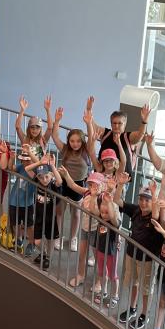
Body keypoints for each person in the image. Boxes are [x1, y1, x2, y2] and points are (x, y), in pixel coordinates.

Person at [116, 183, 163, 329]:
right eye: (141, 199)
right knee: (134, 282)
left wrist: (155, 195)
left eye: (147, 200)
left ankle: (144, 314)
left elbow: (155, 214)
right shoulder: (136, 210)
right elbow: (117, 201)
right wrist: (120, 185)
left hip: (148, 259)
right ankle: (132, 307)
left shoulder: (155, 217)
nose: (143, 203)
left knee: (146, 288)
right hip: (132, 254)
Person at [50, 106, 94, 252]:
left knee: (75, 213)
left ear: (82, 142)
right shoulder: (65, 149)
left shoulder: (86, 151)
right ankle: (57, 236)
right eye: (72, 141)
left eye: (78, 141)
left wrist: (88, 123)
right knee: (59, 211)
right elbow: (55, 136)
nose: (75, 144)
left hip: (78, 184)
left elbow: (92, 138)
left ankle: (73, 238)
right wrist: (57, 121)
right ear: (69, 141)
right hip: (63, 183)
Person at [84, 96, 151, 177]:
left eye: (120, 123)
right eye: (114, 123)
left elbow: (140, 134)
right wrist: (89, 110)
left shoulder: (128, 136)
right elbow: (92, 125)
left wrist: (144, 122)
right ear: (111, 123)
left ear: (125, 124)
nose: (116, 126)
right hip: (102, 175)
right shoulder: (106, 133)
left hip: (121, 178)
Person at [28, 153, 64, 270]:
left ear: (51, 176)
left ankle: (48, 257)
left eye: (47, 177)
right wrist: (39, 163)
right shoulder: (38, 182)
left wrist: (52, 166)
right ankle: (43, 254)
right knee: (37, 242)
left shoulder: (53, 185)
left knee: (51, 240)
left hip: (50, 218)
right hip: (38, 217)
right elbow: (27, 169)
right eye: (41, 177)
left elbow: (60, 181)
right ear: (37, 177)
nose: (44, 180)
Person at [91, 192, 122, 308]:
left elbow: (113, 218)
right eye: (102, 212)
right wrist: (94, 196)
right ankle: (103, 291)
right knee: (102, 273)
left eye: (107, 213)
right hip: (100, 249)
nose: (103, 215)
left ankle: (115, 295)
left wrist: (110, 203)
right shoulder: (101, 217)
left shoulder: (115, 223)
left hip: (111, 252)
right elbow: (93, 209)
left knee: (113, 275)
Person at [5, 144, 37, 254]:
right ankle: (18, 239)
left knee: (29, 225)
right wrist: (12, 158)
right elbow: (11, 168)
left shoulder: (35, 171)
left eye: (27, 160)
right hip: (14, 201)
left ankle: (32, 243)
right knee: (15, 223)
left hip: (27, 203)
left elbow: (33, 175)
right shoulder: (21, 167)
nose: (25, 162)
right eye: (23, 160)